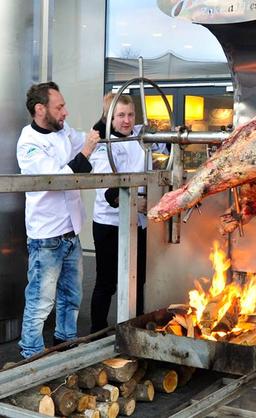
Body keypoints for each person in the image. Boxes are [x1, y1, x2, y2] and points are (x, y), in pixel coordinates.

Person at [16, 81, 100, 358]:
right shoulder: (28, 144)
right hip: (46, 237)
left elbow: (89, 138)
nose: (65, 112)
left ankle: (66, 344)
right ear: (41, 109)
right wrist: (86, 151)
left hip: (70, 233)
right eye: (59, 106)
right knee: (41, 301)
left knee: (71, 297)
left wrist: (109, 116)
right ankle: (31, 354)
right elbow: (57, 180)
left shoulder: (63, 132)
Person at [89, 94, 149, 332]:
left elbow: (167, 146)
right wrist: (136, 202)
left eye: (130, 114)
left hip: (139, 222)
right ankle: (97, 333)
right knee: (107, 283)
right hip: (109, 224)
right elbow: (108, 191)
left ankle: (137, 328)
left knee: (139, 280)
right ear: (110, 118)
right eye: (121, 116)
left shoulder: (141, 137)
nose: (127, 121)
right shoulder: (103, 146)